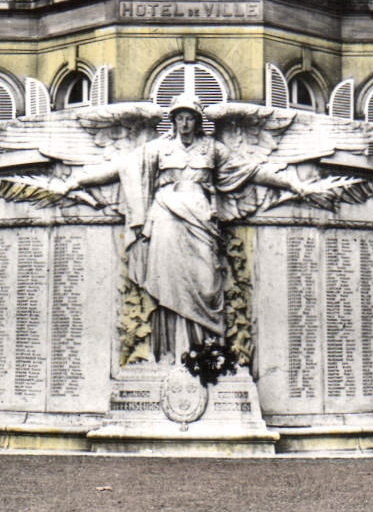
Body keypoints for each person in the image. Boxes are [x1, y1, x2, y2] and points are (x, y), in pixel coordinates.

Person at [62, 95, 307, 363]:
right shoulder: (158, 149)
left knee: (207, 282)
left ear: (198, 121)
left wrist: (290, 184)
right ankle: (168, 353)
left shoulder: (213, 149)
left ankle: (210, 356)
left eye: (190, 118)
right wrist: (77, 181)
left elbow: (251, 171)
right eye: (180, 118)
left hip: (202, 220)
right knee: (166, 282)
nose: (185, 123)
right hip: (165, 218)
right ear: (174, 120)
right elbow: (121, 169)